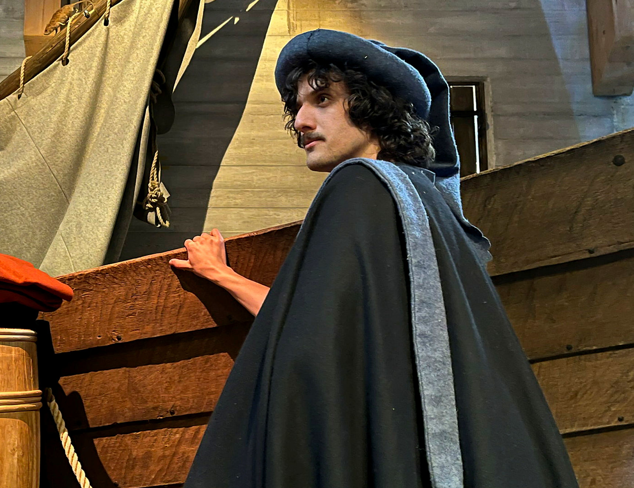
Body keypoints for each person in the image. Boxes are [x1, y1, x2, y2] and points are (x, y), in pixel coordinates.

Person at [171, 30, 578, 487]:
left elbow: (307, 344)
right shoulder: (421, 200)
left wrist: (220, 276)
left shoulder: (360, 185)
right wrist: (225, 277)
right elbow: (324, 323)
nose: (301, 120)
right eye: (298, 105)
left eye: (321, 98)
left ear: (372, 106)